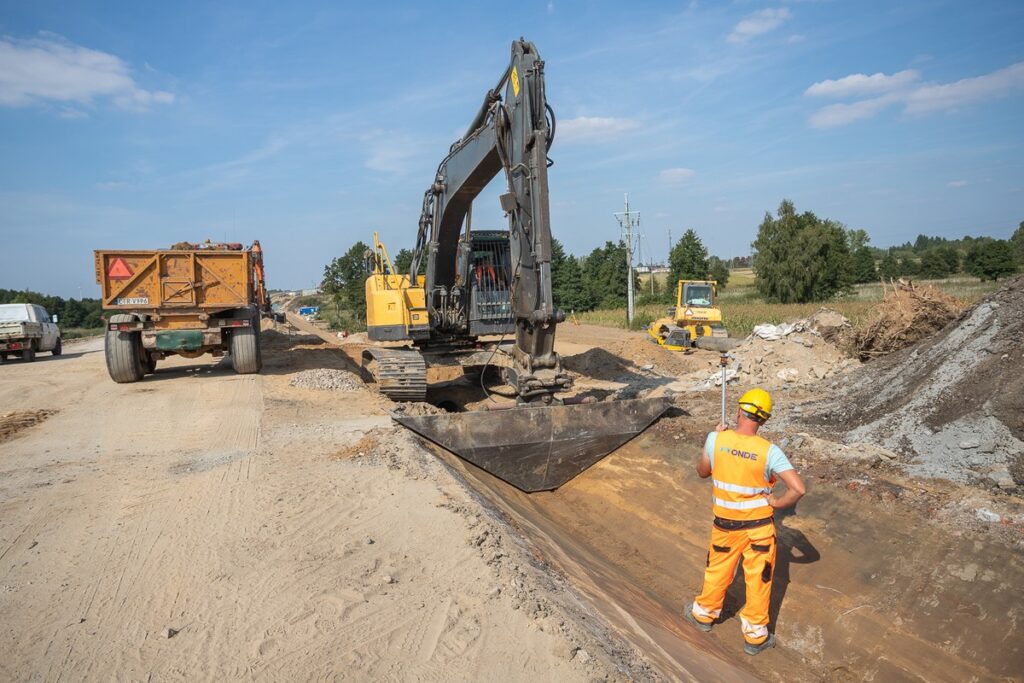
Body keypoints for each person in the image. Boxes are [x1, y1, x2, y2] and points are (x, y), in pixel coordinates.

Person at [684, 388, 806, 656]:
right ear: (763, 420)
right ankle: (755, 637)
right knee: (759, 580)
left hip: (726, 527)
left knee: (717, 571)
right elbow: (798, 489)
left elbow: (702, 472)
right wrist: (776, 503)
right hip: (759, 529)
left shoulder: (716, 438)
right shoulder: (769, 451)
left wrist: (713, 442)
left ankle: (703, 615)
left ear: (739, 411)